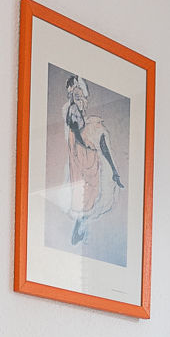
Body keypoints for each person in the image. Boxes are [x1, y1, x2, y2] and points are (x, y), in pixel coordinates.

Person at [57, 74, 123, 248]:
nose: (75, 101)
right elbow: (75, 134)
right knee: (81, 199)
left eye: (78, 97)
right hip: (80, 167)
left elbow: (104, 149)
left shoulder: (95, 126)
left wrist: (114, 171)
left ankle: (81, 228)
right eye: (72, 97)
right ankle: (80, 229)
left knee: (90, 199)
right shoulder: (72, 118)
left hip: (92, 167)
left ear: (84, 100)